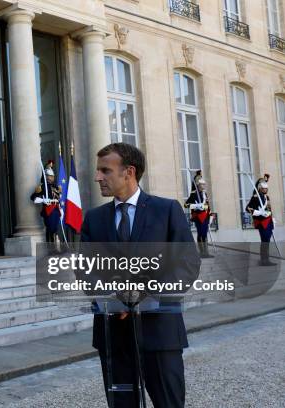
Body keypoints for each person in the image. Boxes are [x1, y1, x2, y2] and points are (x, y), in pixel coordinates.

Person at [81, 142, 200, 408]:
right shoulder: (93, 219)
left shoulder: (167, 210)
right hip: (114, 335)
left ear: (129, 172)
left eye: (105, 170)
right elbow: (85, 269)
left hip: (160, 331)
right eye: (98, 171)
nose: (98, 177)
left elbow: (188, 262)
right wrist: (114, 298)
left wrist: (145, 295)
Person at [246, 174, 275, 266]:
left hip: (268, 221)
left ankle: (266, 259)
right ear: (260, 188)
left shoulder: (267, 197)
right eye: (264, 188)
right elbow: (248, 208)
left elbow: (269, 209)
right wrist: (259, 213)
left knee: (267, 240)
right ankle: (264, 260)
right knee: (265, 240)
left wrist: (271, 216)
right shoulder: (255, 197)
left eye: (266, 188)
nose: (265, 190)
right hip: (262, 222)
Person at [184, 170, 213, 258]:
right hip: (199, 217)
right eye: (202, 184)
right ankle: (202, 252)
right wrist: (197, 206)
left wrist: (210, 214)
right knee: (201, 233)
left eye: (204, 184)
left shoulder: (205, 194)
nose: (204, 185)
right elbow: (186, 205)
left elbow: (207, 205)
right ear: (198, 185)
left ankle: (206, 252)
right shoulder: (194, 194)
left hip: (206, 216)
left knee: (204, 233)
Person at [30, 163, 61, 242]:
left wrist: (60, 208)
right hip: (48, 209)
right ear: (46, 176)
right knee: (50, 228)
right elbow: (33, 197)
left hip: (56, 209)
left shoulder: (56, 187)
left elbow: (58, 198)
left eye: (52, 176)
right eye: (50, 176)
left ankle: (56, 247)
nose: (51, 178)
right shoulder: (42, 187)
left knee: (55, 228)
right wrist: (43, 200)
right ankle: (51, 248)